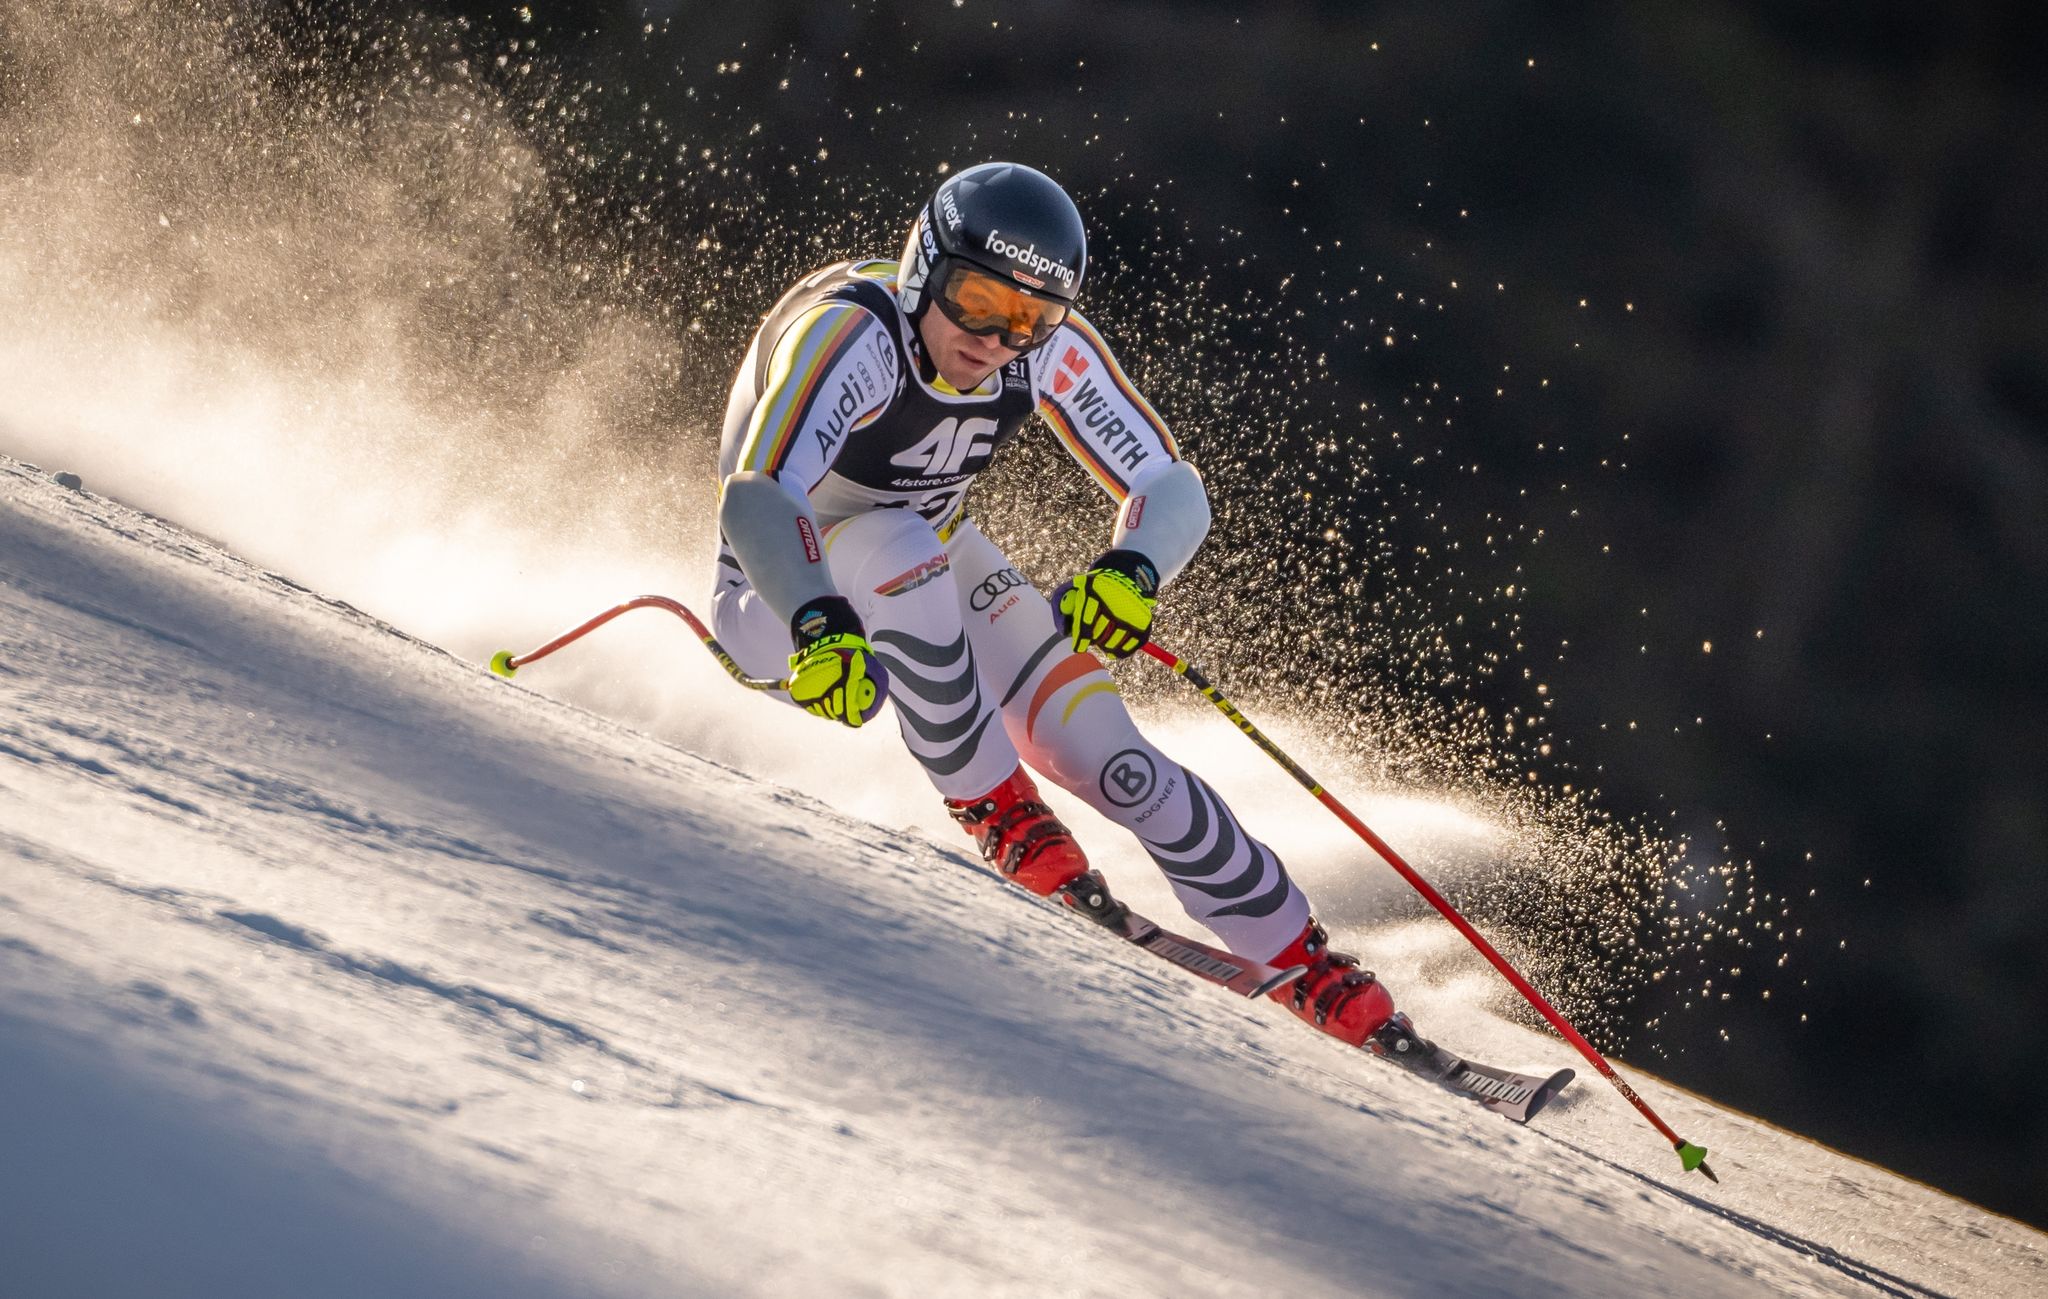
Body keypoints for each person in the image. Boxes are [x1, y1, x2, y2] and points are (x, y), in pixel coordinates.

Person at [709, 161, 1408, 1054]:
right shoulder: (854, 335)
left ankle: (1305, 961)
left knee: (1106, 752)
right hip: (776, 598)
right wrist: (816, 620)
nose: (998, 339)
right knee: (907, 546)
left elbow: (1169, 484)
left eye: (1030, 319)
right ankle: (1004, 815)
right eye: (975, 300)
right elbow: (759, 495)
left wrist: (1133, 571)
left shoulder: (1047, 353)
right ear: (926, 266)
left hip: (916, 558)